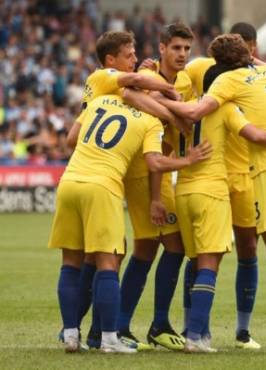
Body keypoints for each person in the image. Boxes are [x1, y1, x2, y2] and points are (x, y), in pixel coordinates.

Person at [155, 34, 266, 354]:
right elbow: (258, 76)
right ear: (249, 53)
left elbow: (194, 114)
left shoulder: (227, 82)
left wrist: (155, 99)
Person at [48, 93, 211, 354]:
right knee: (110, 259)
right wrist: (187, 160)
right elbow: (155, 162)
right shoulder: (150, 122)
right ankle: (110, 339)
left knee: (71, 262)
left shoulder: (100, 101)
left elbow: (71, 139)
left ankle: (70, 334)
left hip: (69, 182)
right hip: (102, 186)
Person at [63, 30, 184, 350]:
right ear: (111, 61)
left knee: (99, 255)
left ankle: (77, 329)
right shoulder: (116, 78)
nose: (134, 58)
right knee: (129, 252)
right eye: (129, 55)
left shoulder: (100, 95)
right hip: (128, 172)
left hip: (86, 172)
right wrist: (171, 98)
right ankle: (121, 330)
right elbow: (137, 95)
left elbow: (72, 139)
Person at [181, 21, 263, 349]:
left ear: (253, 48)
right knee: (202, 256)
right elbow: (175, 81)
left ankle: (242, 331)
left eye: (247, 45)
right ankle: (196, 329)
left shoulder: (260, 76)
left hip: (241, 175)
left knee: (247, 249)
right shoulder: (202, 67)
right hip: (211, 175)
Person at [116, 22, 195, 351]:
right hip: (147, 171)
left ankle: (119, 325)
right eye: (176, 48)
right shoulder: (150, 83)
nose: (182, 55)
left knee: (146, 249)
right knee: (176, 247)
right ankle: (157, 324)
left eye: (187, 49)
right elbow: (127, 94)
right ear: (161, 48)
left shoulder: (187, 79)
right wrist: (154, 198)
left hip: (157, 171)